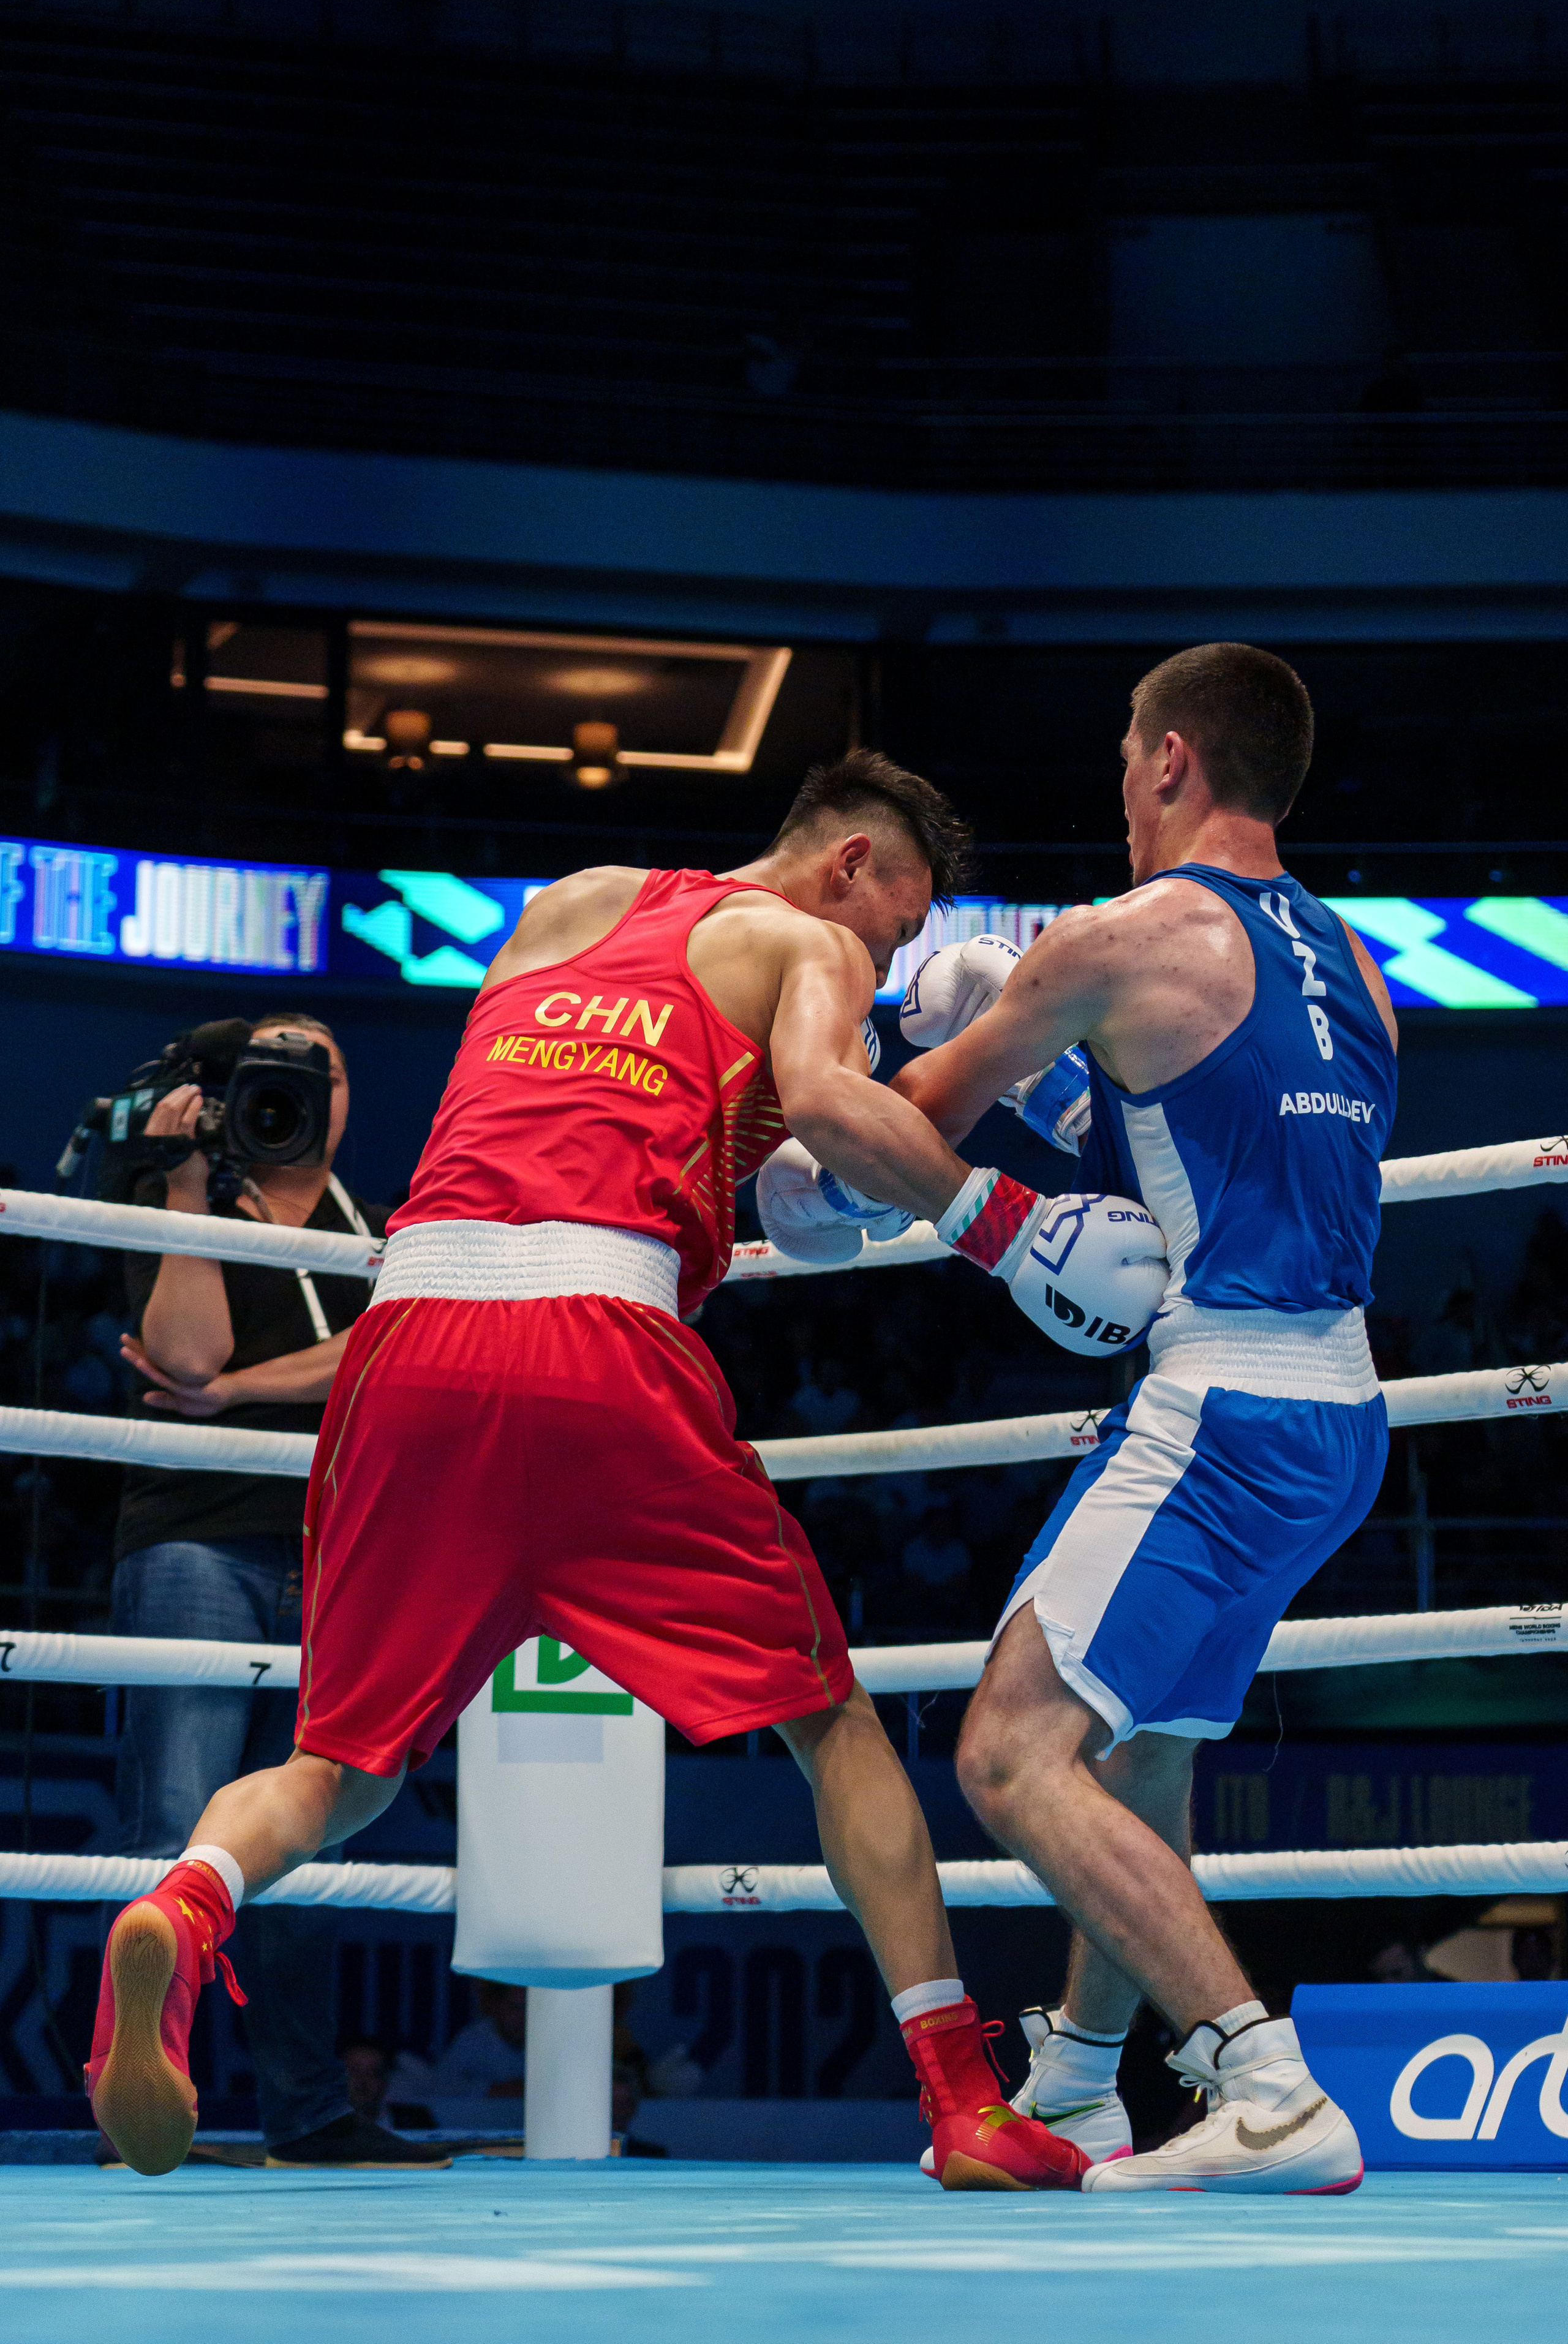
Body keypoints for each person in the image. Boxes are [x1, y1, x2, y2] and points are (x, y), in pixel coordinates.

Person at [86, 750, 1160, 2187]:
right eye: (897, 923)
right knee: (833, 1725)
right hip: (598, 1344)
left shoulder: (565, 904)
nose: (889, 954)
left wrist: (791, 1155)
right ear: (848, 865)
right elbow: (824, 1110)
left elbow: (582, 1110)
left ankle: (183, 1905)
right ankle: (962, 2103)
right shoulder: (808, 944)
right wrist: (1006, 1226)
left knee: (334, 1765)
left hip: (409, 1335)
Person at [891, 643, 1398, 2193]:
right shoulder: (1354, 968)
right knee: (1144, 1750)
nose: (1118, 780)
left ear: (1171, 757)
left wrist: (799, 1152)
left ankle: (1262, 2083)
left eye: (1126, 749)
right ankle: (1078, 2085)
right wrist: (1064, 1093)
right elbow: (1210, 1159)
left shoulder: (1116, 938)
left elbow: (908, 1126)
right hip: (1337, 1417)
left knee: (1008, 1752)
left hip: (1222, 1410)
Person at [105, 1009, 447, 2173]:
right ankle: (133, 2101)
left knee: (310, 1841)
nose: (299, 1087)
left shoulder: (382, 1227)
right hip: (195, 1540)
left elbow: (391, 1345)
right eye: (274, 1067)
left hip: (340, 1547)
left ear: (348, 1096)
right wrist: (185, 1185)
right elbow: (185, 1357)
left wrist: (240, 1393)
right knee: (175, 1822)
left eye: (323, 1069)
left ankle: (305, 2114)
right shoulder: (185, 1199)